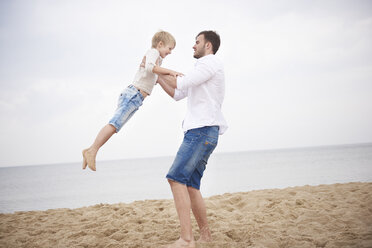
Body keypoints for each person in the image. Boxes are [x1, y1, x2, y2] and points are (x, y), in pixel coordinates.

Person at [157, 30, 227, 248]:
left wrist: (155, 67)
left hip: (201, 131)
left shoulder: (210, 63)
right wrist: (158, 77)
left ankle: (187, 239)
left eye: (197, 42)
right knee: (191, 186)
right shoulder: (203, 70)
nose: (193, 46)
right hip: (204, 131)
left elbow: (181, 82)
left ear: (208, 46)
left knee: (175, 178)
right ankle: (205, 237)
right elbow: (178, 93)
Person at [82, 31, 183, 171]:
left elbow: (157, 76)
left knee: (115, 127)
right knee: (114, 124)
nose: (171, 52)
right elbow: (150, 67)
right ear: (160, 44)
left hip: (137, 98)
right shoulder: (153, 52)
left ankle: (91, 150)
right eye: (170, 48)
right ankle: (92, 150)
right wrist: (171, 71)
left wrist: (175, 77)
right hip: (133, 95)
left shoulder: (157, 61)